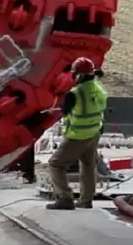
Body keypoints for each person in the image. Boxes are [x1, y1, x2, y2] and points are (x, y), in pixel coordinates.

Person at [46, 57, 108, 210]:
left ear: (77, 75)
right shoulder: (99, 88)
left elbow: (65, 110)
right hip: (94, 132)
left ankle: (64, 198)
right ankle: (86, 200)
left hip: (78, 135)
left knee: (56, 164)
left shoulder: (74, 94)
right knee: (88, 164)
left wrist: (58, 109)